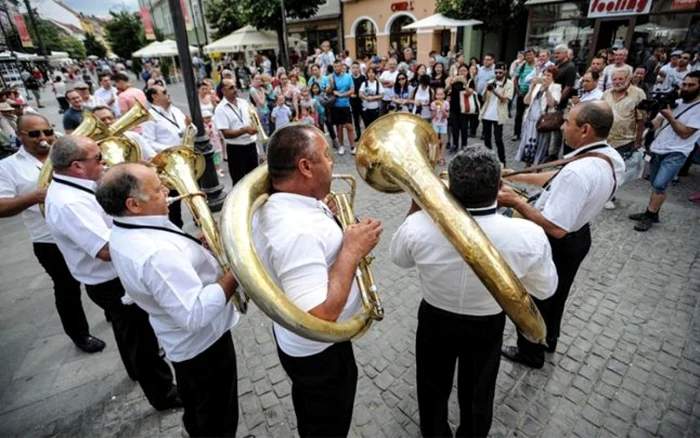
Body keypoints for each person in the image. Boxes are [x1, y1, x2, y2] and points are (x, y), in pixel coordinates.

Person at [391, 147, 556, 438]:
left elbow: (399, 259)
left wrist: (418, 202)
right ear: (500, 187)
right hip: (487, 322)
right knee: (479, 388)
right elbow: (546, 288)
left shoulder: (417, 225)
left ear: (450, 187)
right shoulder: (527, 234)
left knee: (431, 385)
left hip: (434, 318)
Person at [253, 124, 382, 437]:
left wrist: (323, 213)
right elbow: (320, 314)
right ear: (305, 167)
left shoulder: (281, 204)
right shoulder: (297, 231)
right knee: (328, 423)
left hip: (305, 345)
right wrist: (351, 251)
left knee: (311, 410)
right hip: (319, 351)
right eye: (327, 155)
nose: (333, 161)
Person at [96, 163, 241, 437]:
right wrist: (237, 271)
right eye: (157, 190)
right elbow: (195, 314)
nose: (167, 190)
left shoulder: (126, 228)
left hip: (183, 345)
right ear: (134, 205)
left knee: (197, 407)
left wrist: (197, 249)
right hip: (204, 346)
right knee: (218, 416)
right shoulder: (155, 253)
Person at [43, 135, 181, 409]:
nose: (104, 161)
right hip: (110, 281)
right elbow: (106, 250)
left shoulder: (78, 186)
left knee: (128, 330)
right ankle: (163, 393)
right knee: (140, 337)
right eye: (98, 158)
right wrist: (149, 225)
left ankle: (136, 371)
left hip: (108, 278)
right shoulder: (69, 202)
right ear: (77, 166)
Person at [499, 101, 625, 368]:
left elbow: (556, 226)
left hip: (558, 240)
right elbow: (558, 177)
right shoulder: (610, 157)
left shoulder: (579, 172)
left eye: (568, 121)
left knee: (537, 294)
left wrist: (516, 203)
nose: (563, 125)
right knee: (558, 293)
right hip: (581, 236)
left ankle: (530, 352)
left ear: (586, 129)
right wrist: (518, 178)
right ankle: (550, 338)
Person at [0, 114, 105, 353]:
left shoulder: (66, 153)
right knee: (67, 287)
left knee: (103, 274)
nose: (44, 138)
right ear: (20, 136)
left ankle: (113, 311)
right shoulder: (7, 167)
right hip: (48, 239)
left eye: (47, 131)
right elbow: (1, 206)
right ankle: (80, 334)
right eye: (35, 134)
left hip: (88, 226)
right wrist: (33, 197)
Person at [629, 72, 700, 232]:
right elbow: (656, 123)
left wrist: (670, 118)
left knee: (660, 184)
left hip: (677, 151)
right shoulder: (675, 102)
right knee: (655, 183)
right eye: (684, 84)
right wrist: (647, 117)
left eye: (691, 85)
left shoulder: (698, 109)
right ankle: (653, 213)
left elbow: (685, 133)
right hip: (658, 148)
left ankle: (649, 215)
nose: (686, 88)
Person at [142, 84, 192, 227]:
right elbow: (148, 142)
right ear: (154, 97)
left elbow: (189, 130)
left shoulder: (176, 110)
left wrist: (190, 126)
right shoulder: (150, 117)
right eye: (164, 92)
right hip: (168, 164)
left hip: (183, 160)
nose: (168, 94)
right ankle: (177, 227)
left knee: (192, 192)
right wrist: (171, 150)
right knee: (174, 202)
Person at [601, 69, 646, 209]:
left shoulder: (638, 94)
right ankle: (600, 195)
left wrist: (638, 140)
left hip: (625, 140)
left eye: (621, 79)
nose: (617, 82)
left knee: (615, 171)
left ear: (628, 79)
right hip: (605, 139)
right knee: (603, 169)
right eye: (615, 79)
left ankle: (609, 196)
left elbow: (641, 119)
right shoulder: (606, 94)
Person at [214, 78, 259, 186]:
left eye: (235, 86)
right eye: (231, 87)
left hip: (251, 145)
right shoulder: (220, 109)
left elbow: (252, 120)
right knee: (238, 182)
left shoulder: (244, 103)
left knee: (254, 180)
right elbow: (226, 133)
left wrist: (254, 127)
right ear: (224, 91)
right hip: (236, 149)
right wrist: (245, 130)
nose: (235, 89)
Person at [515, 66, 562, 166]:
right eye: (544, 74)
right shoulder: (537, 86)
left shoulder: (556, 87)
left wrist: (547, 90)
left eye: (548, 75)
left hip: (543, 120)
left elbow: (552, 104)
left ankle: (537, 166)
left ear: (553, 77)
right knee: (529, 141)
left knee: (541, 143)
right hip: (531, 118)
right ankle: (527, 164)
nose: (545, 77)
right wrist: (531, 88)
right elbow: (526, 101)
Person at [480, 62, 514, 166]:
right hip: (487, 114)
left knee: (498, 139)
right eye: (496, 72)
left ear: (505, 71)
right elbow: (483, 98)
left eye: (500, 72)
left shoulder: (509, 83)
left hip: (498, 115)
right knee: (487, 139)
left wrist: (494, 91)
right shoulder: (491, 81)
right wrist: (486, 89)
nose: (498, 74)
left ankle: (502, 161)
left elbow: (505, 100)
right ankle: (489, 160)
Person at [445, 64, 477, 151]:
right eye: (461, 70)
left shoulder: (470, 81)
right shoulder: (454, 80)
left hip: (464, 108)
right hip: (454, 107)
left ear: (467, 72)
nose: (462, 72)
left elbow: (469, 93)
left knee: (464, 127)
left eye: (464, 70)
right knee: (454, 127)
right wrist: (450, 82)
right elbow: (446, 90)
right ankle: (455, 144)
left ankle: (464, 145)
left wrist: (465, 83)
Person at [328, 60, 356, 155]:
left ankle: (352, 146)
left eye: (338, 66)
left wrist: (341, 95)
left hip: (345, 105)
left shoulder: (348, 77)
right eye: (335, 67)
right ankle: (341, 146)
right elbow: (327, 91)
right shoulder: (331, 77)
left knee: (349, 126)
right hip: (335, 105)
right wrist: (331, 85)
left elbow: (352, 90)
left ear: (342, 67)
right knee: (339, 127)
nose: (337, 68)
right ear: (333, 67)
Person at [198, 81, 225, 177]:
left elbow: (216, 107)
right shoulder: (196, 100)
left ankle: (217, 165)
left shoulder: (210, 97)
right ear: (198, 90)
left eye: (206, 88)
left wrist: (215, 102)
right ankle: (211, 166)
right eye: (203, 89)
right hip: (203, 124)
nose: (205, 91)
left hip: (212, 121)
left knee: (217, 142)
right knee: (207, 144)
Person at [512, 49, 537, 142]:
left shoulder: (537, 67)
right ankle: (516, 133)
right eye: (527, 55)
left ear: (534, 55)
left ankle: (529, 134)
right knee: (519, 115)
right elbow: (516, 79)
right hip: (522, 93)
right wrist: (518, 92)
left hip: (533, 94)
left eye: (531, 55)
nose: (529, 57)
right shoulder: (522, 66)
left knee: (531, 115)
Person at [430, 88, 449, 166]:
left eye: (441, 94)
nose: (439, 96)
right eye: (438, 94)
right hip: (435, 124)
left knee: (443, 142)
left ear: (444, 95)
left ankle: (442, 158)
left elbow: (447, 116)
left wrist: (442, 109)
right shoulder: (433, 104)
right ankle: (435, 157)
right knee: (435, 141)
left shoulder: (446, 103)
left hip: (443, 124)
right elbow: (432, 117)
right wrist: (435, 110)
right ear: (435, 95)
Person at [349, 62, 366, 142]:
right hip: (353, 101)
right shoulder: (349, 78)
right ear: (351, 69)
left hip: (362, 101)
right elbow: (348, 89)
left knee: (365, 118)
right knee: (355, 120)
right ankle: (358, 135)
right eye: (353, 68)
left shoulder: (363, 78)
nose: (355, 69)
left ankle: (366, 134)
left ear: (359, 68)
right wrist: (350, 95)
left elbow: (366, 88)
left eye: (356, 67)